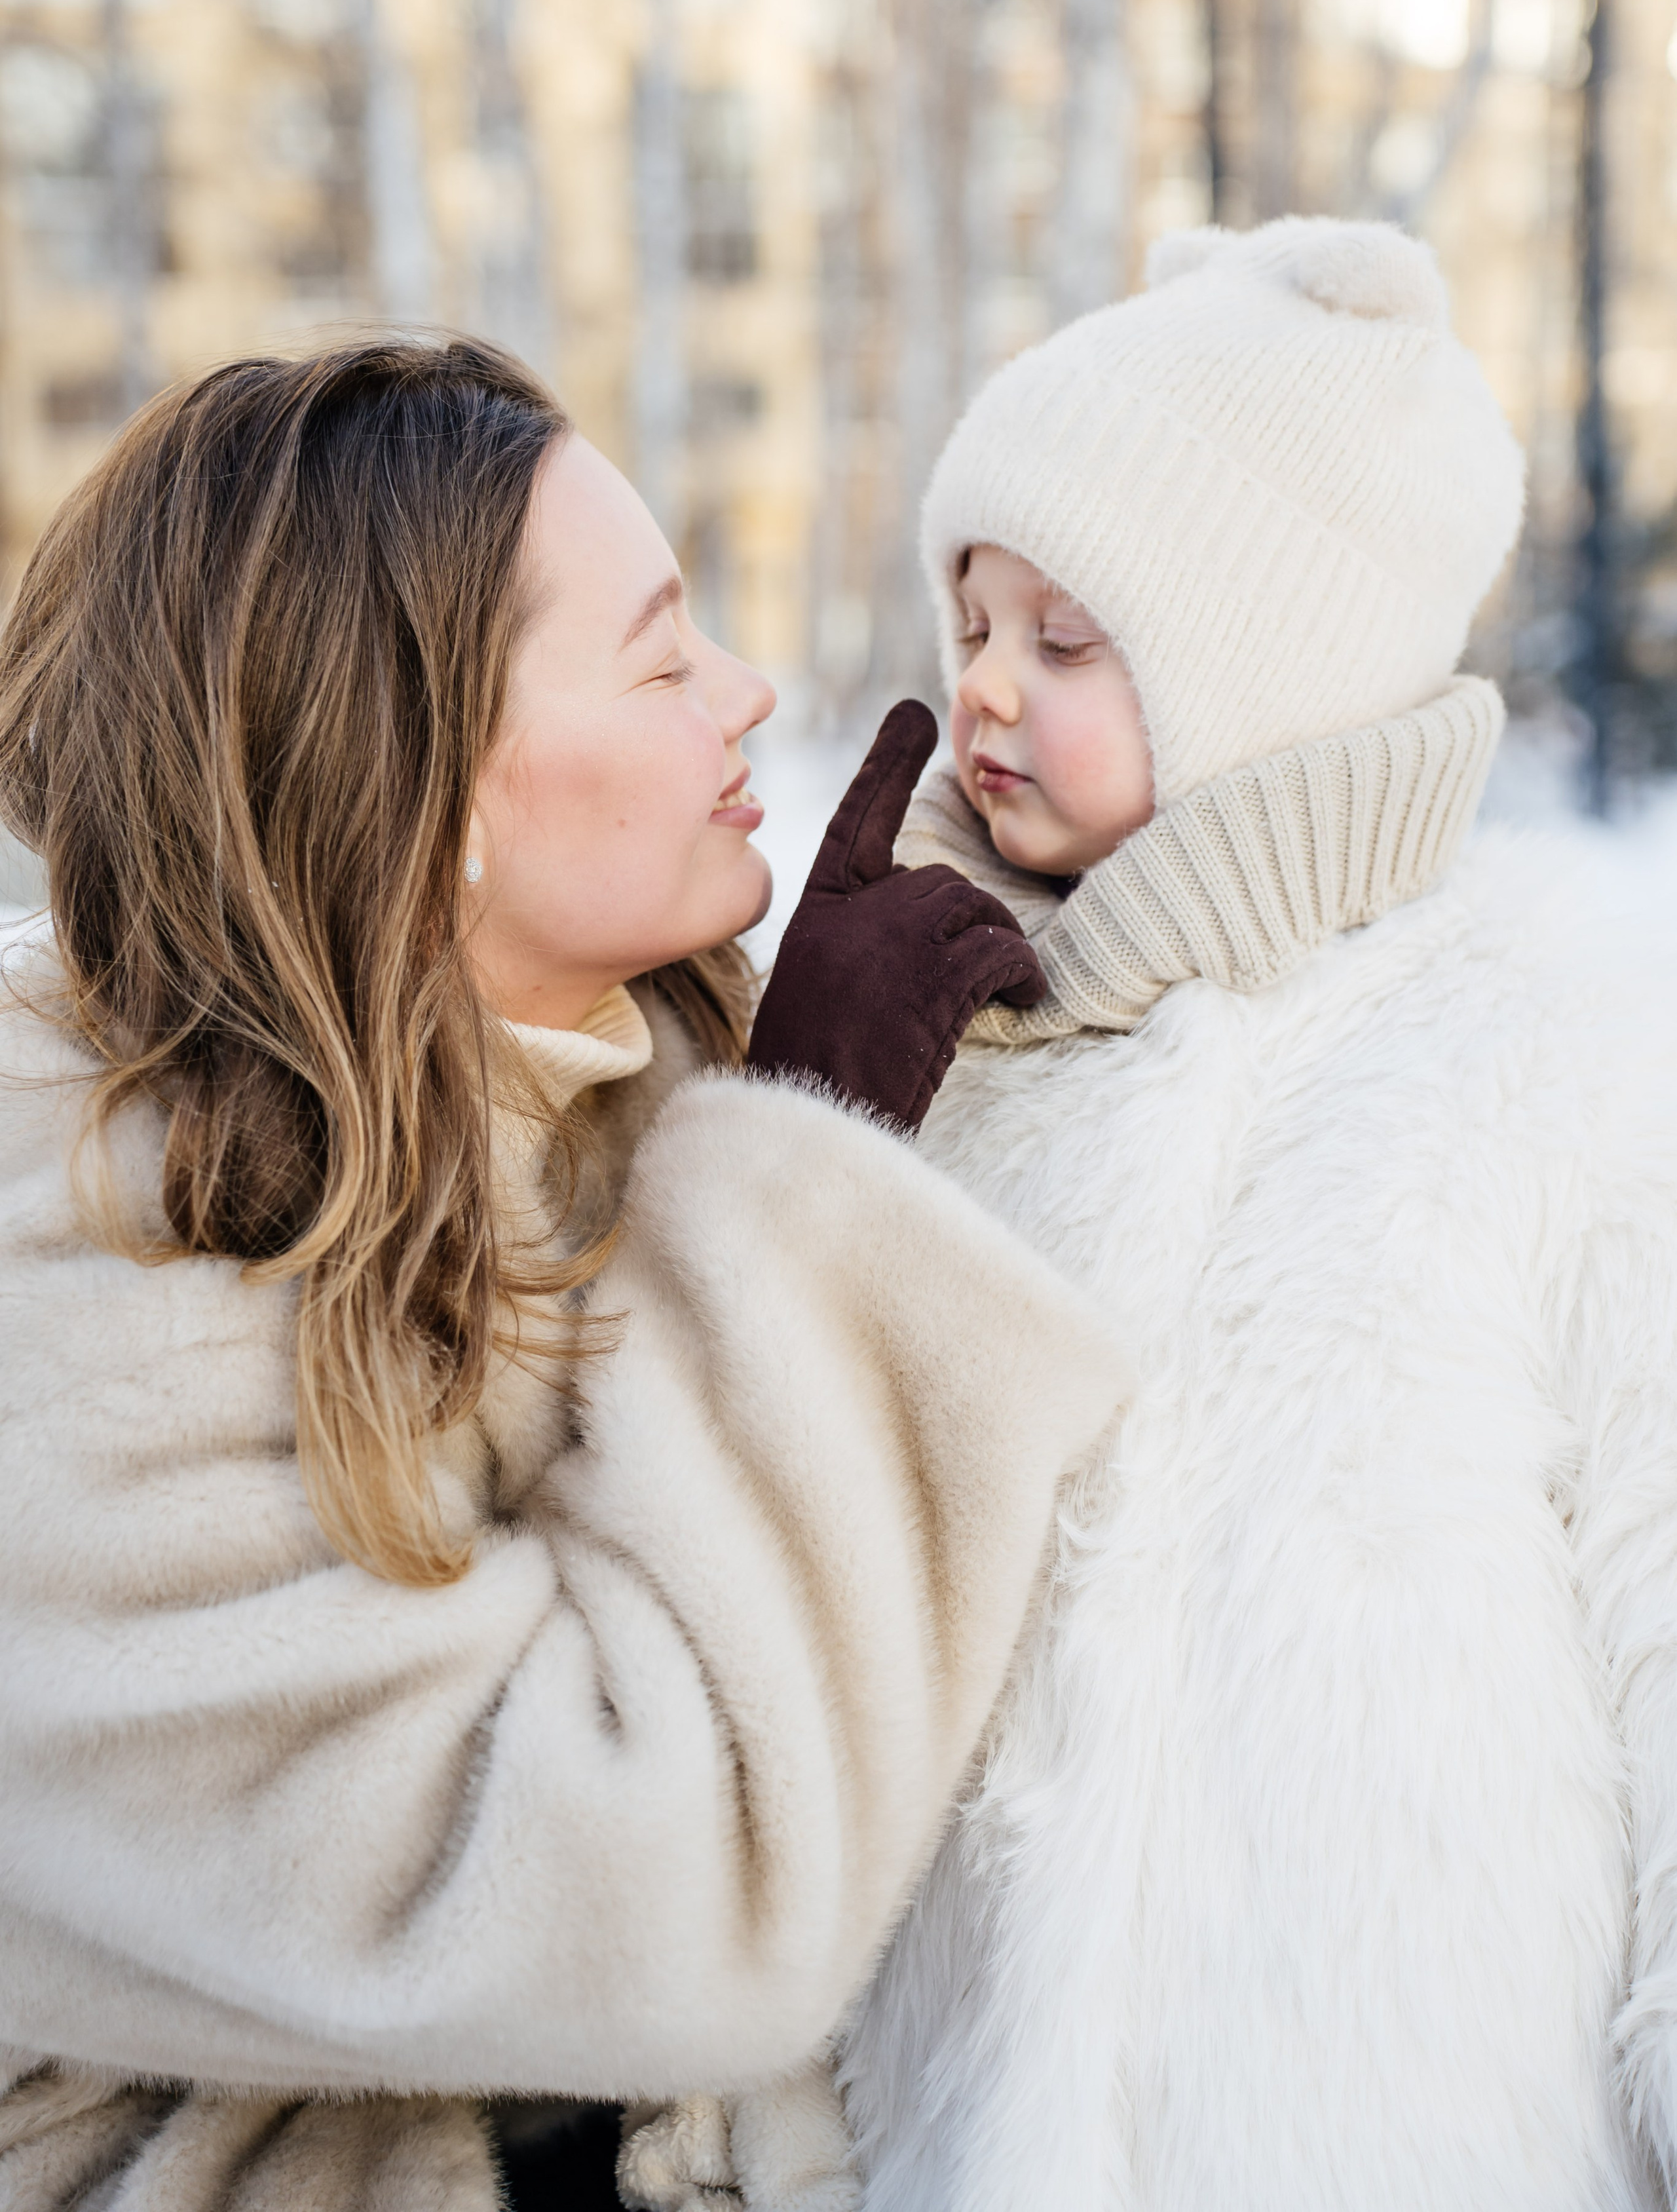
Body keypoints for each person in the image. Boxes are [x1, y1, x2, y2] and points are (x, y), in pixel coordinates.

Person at [0, 336, 1131, 2212]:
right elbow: (660, 1896)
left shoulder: (604, 1096)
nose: (750, 696)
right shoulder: (72, 1274)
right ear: (433, 782)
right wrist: (813, 1166)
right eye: (665, 660)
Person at [824, 219, 1677, 2209]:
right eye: (970, 619)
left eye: (1066, 640)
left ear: (1270, 665)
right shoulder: (948, 1047)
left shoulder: (1552, 1053)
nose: (983, 689)